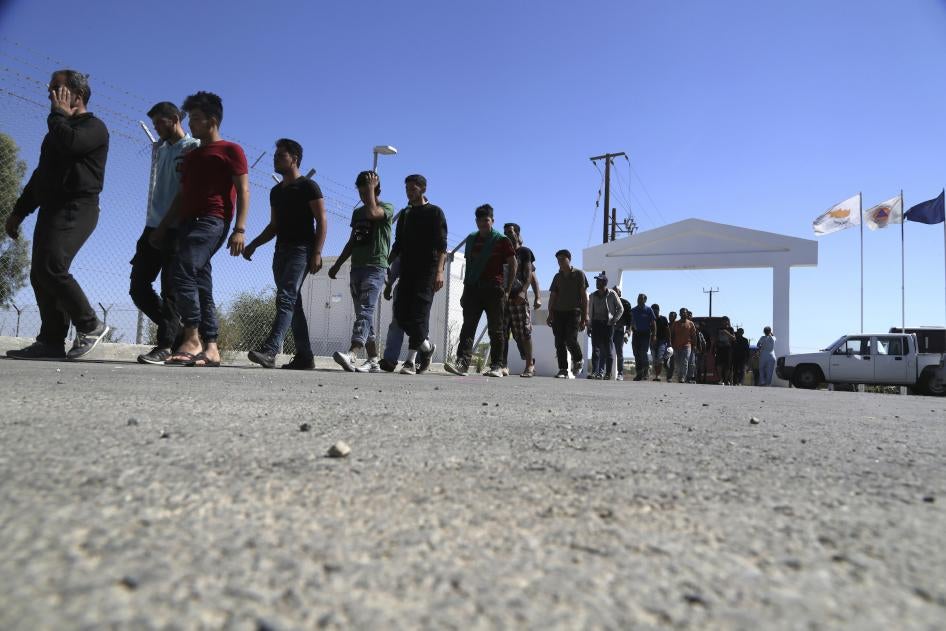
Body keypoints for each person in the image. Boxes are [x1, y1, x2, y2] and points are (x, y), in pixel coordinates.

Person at [6, 70, 110, 360]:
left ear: (76, 95)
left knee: (51, 265)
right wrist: (18, 212)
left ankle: (90, 324)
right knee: (40, 273)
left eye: (56, 88)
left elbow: (72, 144)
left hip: (78, 207)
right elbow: (41, 176)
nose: (49, 93)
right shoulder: (56, 131)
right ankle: (51, 341)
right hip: (51, 208)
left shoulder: (94, 127)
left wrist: (57, 116)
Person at [153, 91, 249, 368]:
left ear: (212, 120)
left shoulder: (231, 150)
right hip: (186, 222)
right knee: (201, 283)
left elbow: (243, 190)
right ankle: (212, 347)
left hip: (213, 220)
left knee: (182, 269)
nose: (191, 124)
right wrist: (163, 227)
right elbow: (182, 195)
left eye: (195, 118)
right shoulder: (192, 155)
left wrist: (240, 229)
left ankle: (191, 337)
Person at [242, 139, 327, 370]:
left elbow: (321, 220)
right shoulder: (275, 192)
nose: (276, 158)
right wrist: (254, 245)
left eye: (281, 155)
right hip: (281, 251)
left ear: (294, 159)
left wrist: (317, 252)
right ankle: (305, 356)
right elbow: (274, 226)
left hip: (302, 250)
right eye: (275, 155)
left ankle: (270, 351)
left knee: (286, 297)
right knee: (293, 304)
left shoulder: (309, 186)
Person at [131, 102, 199, 365]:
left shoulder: (192, 148)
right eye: (155, 124)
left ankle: (165, 345)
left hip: (177, 228)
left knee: (170, 289)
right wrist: (155, 225)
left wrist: (165, 226)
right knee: (138, 286)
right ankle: (180, 333)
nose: (157, 128)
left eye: (160, 122)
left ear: (174, 119)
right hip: (153, 224)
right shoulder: (161, 149)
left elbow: (184, 193)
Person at [328, 171, 393, 373]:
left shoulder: (386, 208)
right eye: (361, 192)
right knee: (364, 314)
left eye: (367, 192)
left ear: (376, 190)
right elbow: (352, 241)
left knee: (365, 311)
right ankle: (373, 360)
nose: (364, 197)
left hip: (375, 266)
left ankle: (353, 353)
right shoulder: (357, 214)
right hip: (357, 267)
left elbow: (374, 214)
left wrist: (371, 191)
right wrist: (338, 264)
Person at [444, 204, 517, 377]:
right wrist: (464, 291)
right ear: (476, 221)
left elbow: (513, 264)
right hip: (473, 289)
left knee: (496, 329)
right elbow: (469, 267)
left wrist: (507, 290)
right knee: (468, 327)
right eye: (480, 220)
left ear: (492, 221)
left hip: (494, 290)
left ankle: (497, 365)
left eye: (487, 220)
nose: (483, 223)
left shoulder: (501, 240)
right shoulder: (471, 239)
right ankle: (462, 363)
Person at [387, 174, 447, 375]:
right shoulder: (405, 215)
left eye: (412, 189)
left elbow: (442, 248)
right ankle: (427, 348)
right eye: (407, 189)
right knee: (402, 315)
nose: (408, 193)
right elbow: (398, 244)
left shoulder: (435, 213)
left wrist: (439, 271)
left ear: (423, 189)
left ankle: (410, 361)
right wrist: (386, 263)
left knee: (419, 315)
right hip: (407, 271)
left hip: (427, 272)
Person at [500, 222, 541, 377]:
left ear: (517, 233)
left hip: (518, 298)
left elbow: (531, 275)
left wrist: (530, 294)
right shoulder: (502, 253)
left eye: (510, 232)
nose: (507, 235)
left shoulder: (524, 252)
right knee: (502, 332)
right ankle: (502, 365)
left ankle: (529, 364)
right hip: (504, 298)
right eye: (505, 232)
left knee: (523, 332)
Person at [547, 250, 588, 378]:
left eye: (562, 259)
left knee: (570, 339)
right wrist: (550, 313)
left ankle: (578, 359)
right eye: (558, 260)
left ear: (569, 259)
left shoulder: (579, 274)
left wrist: (585, 316)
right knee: (559, 342)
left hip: (574, 312)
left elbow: (584, 297)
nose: (560, 262)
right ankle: (563, 369)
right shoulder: (557, 277)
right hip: (558, 313)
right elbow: (552, 296)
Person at [587, 273, 623, 379]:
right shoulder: (592, 295)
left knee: (608, 349)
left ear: (605, 283)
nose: (597, 283)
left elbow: (621, 309)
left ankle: (608, 373)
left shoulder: (612, 294)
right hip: (596, 324)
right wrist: (589, 326)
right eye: (597, 281)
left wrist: (614, 320)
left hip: (608, 325)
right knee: (595, 349)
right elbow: (590, 312)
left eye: (599, 281)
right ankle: (594, 372)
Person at [629, 293, 656, 381]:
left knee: (643, 353)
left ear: (645, 300)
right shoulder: (633, 310)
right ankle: (639, 374)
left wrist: (654, 335)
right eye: (638, 298)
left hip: (646, 334)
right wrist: (629, 331)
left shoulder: (649, 310)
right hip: (636, 334)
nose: (639, 300)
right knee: (636, 354)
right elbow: (630, 322)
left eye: (641, 298)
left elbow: (653, 323)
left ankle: (646, 372)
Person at [670, 307, 697, 383]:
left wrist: (694, 345)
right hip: (676, 346)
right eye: (681, 312)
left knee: (684, 361)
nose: (683, 314)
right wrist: (671, 344)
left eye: (684, 312)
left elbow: (694, 336)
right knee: (678, 363)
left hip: (687, 346)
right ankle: (679, 376)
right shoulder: (676, 323)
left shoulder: (690, 324)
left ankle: (683, 377)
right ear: (679, 314)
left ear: (687, 313)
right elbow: (672, 334)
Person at [651, 303, 670, 382]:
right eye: (653, 310)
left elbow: (667, 330)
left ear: (658, 310)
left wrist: (669, 341)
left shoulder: (663, 319)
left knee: (660, 358)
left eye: (656, 310)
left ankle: (658, 375)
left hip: (662, 341)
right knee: (655, 359)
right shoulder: (650, 319)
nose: (655, 312)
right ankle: (656, 375)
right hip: (652, 341)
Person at [715, 316, 736, 385]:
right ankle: (720, 379)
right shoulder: (718, 329)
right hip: (720, 348)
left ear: (728, 321)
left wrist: (727, 333)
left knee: (727, 365)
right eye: (723, 321)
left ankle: (726, 380)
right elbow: (716, 339)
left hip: (728, 349)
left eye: (725, 320)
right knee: (719, 364)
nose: (724, 322)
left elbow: (734, 338)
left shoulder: (730, 329)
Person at [664, 310, 677, 381]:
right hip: (667, 345)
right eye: (669, 316)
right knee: (665, 362)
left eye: (672, 316)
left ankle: (669, 377)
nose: (670, 317)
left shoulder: (677, 325)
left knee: (672, 362)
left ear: (675, 317)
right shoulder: (667, 325)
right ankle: (668, 373)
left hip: (675, 346)